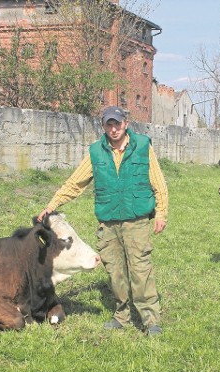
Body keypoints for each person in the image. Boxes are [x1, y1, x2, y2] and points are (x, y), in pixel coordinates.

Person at [38, 106, 168, 336]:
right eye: (109, 124)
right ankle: (122, 315)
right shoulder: (96, 152)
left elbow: (158, 182)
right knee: (115, 272)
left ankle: (150, 320)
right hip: (108, 223)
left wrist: (161, 213)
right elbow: (75, 183)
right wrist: (53, 205)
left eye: (117, 123)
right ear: (104, 126)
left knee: (140, 270)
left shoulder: (143, 147)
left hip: (136, 221)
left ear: (125, 123)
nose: (114, 129)